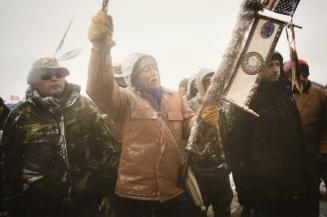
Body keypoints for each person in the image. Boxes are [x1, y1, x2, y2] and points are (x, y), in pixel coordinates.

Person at [87, 10, 220, 217]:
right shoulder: (124, 100)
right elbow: (99, 88)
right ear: (133, 77)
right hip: (133, 196)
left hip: (173, 191)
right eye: (145, 70)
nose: (153, 72)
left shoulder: (176, 97)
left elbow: (192, 131)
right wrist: (100, 48)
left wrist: (203, 120)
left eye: (154, 67)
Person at [1, 57, 119, 217]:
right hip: (39, 207)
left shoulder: (85, 106)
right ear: (34, 82)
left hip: (86, 202)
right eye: (46, 75)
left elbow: (106, 149)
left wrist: (110, 193)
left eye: (59, 73)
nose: (54, 78)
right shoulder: (20, 114)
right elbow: (8, 163)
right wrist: (12, 204)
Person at [227, 52, 308, 217]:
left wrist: (303, 171)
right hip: (264, 185)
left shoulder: (286, 97)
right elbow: (237, 147)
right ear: (259, 69)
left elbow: (298, 136)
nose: (276, 69)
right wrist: (245, 189)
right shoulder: (248, 102)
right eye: (270, 65)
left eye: (277, 64)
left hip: (290, 180)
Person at [188, 68, 233, 217]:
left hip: (222, 169)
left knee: (224, 207)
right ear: (199, 84)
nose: (211, 85)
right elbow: (188, 135)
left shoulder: (224, 104)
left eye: (214, 80)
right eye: (206, 81)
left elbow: (230, 132)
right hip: (200, 171)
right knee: (200, 209)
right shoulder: (190, 105)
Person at [284, 59, 327, 214]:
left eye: (304, 73)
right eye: (295, 74)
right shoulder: (285, 99)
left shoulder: (320, 94)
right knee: (309, 196)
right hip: (302, 159)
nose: (301, 77)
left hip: (323, 154)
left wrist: (323, 151)